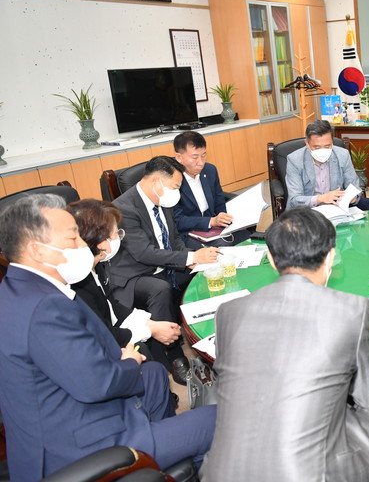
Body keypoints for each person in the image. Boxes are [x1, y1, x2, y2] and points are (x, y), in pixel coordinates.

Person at [0, 194, 216, 481]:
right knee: (216, 419)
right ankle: (160, 457)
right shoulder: (44, 308)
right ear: (38, 251)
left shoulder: (22, 288)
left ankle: (162, 458)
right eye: (73, 238)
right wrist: (128, 361)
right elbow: (99, 384)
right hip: (83, 445)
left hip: (74, 410)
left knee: (153, 374)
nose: (83, 246)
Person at [200, 207, 369, 481]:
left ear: (271, 259)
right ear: (331, 257)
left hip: (221, 473)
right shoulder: (352, 309)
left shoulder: (228, 311)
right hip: (312, 475)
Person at [108, 156, 220, 384]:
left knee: (205, 269)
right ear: (156, 181)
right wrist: (188, 257)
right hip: (135, 273)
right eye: (175, 187)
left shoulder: (162, 200)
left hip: (164, 264)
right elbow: (143, 253)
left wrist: (190, 258)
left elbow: (175, 237)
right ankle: (174, 354)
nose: (177, 193)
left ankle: (205, 333)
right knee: (160, 289)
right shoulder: (124, 208)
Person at [68, 199, 181, 364]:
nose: (120, 237)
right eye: (116, 233)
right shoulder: (78, 282)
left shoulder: (96, 266)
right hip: (97, 352)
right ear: (102, 243)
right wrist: (151, 330)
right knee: (143, 352)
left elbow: (112, 306)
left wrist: (151, 324)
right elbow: (103, 332)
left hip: (109, 333)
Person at [172, 131, 250, 249]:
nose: (201, 162)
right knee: (223, 246)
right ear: (179, 157)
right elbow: (177, 221)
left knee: (247, 236)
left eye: (203, 155)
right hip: (188, 232)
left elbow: (219, 200)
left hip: (214, 228)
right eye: (194, 157)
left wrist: (222, 217)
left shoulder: (210, 170)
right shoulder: (172, 179)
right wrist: (210, 221)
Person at [285, 119, 369, 210]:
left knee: (367, 203)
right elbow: (295, 200)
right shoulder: (295, 160)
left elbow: (353, 185)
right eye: (317, 147)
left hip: (336, 205)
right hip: (308, 209)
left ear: (332, 142)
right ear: (307, 144)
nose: (322, 150)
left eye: (327, 146)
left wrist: (353, 197)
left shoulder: (342, 155)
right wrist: (320, 199)